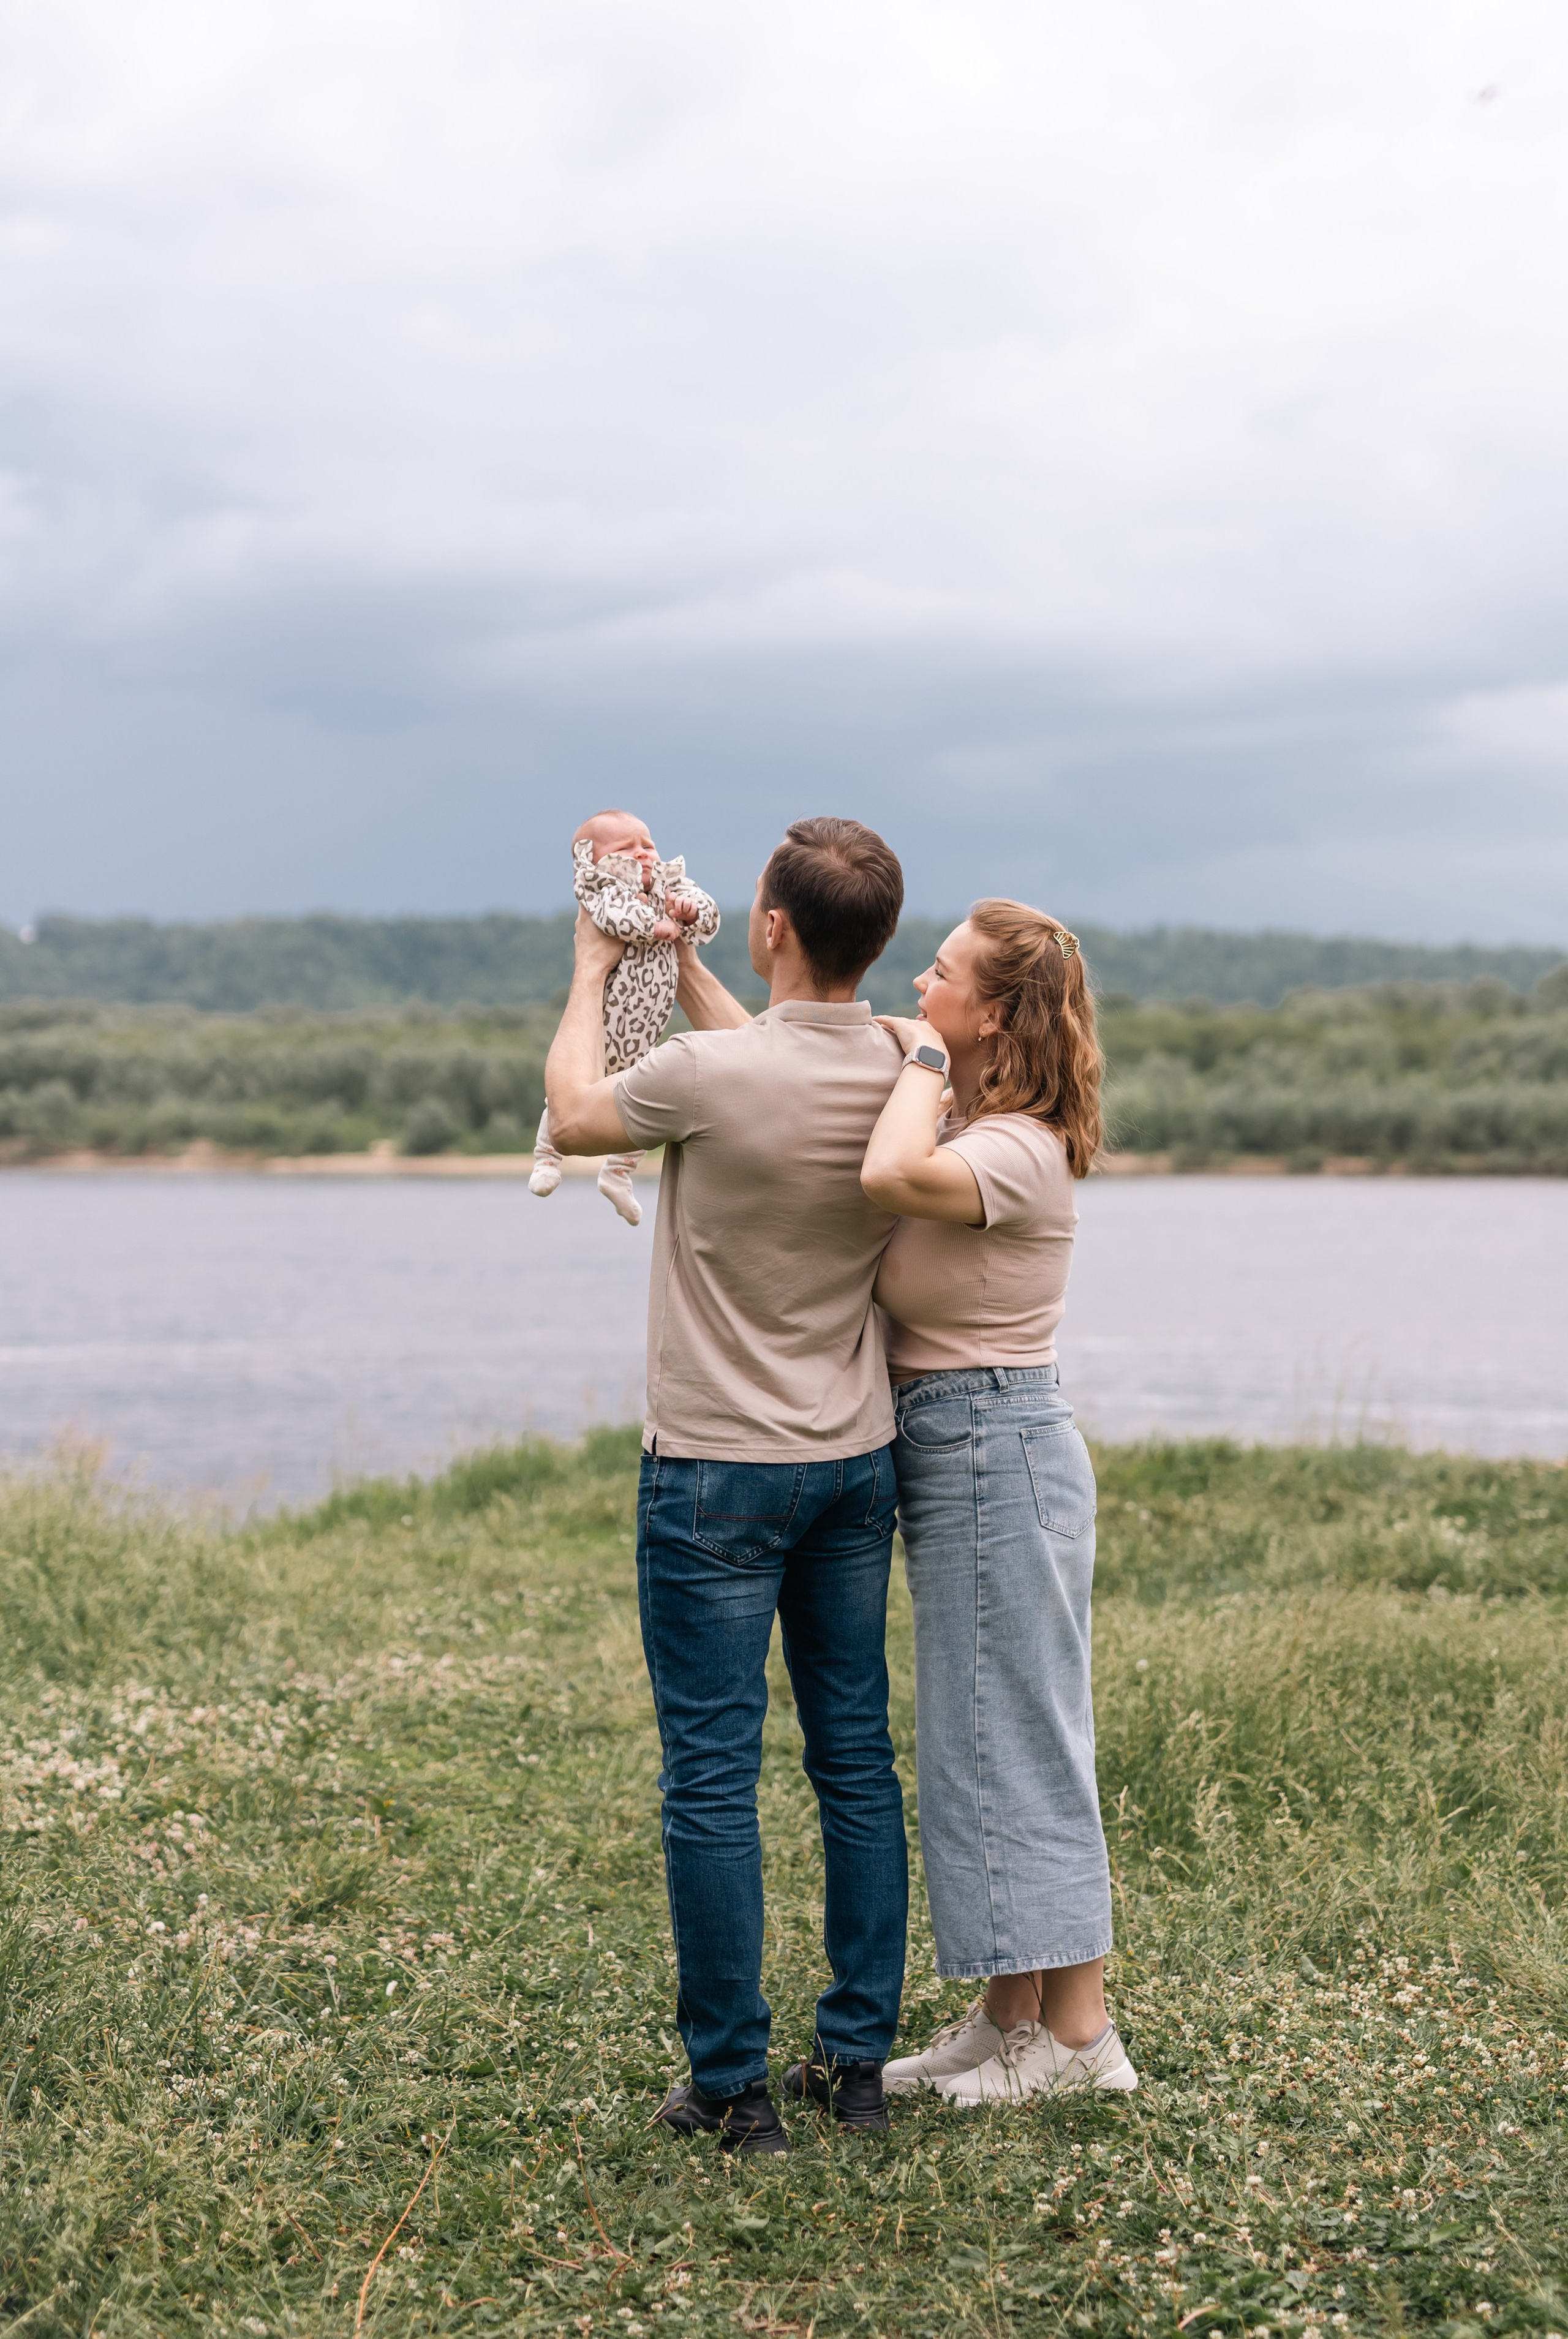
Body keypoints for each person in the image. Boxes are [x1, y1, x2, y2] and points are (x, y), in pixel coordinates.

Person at [543, 816, 910, 2155]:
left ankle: (732, 2087)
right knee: (852, 1759)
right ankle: (857, 2066)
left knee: (711, 1772)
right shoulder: (899, 1063)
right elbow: (773, 1044)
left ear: (771, 927)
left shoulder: (705, 1072)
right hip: (849, 1459)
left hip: (710, 1468)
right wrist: (698, 963)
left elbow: (582, 1111)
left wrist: (594, 963)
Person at [860, 900, 1139, 2104]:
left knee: (1016, 1732)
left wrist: (916, 1055)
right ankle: (1003, 2013)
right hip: (959, 1437)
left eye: (937, 974)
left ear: (987, 1014)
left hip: (992, 1436)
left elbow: (884, 1170)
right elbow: (797, 1031)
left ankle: (1077, 2040)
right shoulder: (974, 1110)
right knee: (976, 1733)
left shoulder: (1011, 1144)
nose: (916, 982)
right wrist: (682, 967)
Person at [527, 811, 720, 1225]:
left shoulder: (669, 885)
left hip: (646, 1026)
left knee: (647, 1100)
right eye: (624, 849)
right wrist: (656, 926)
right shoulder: (602, 888)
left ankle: (619, 1173)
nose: (641, 855)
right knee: (570, 1089)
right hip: (609, 1017)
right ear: (592, 860)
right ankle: (547, 1157)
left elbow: (708, 915)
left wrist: (688, 910)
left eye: (647, 845)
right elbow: (616, 918)